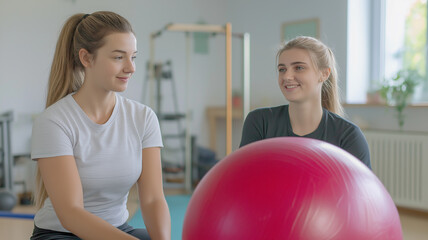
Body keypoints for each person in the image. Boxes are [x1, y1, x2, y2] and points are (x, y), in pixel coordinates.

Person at [30, 11, 171, 240]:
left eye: (133, 57)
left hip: (117, 231)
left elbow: (153, 198)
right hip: (61, 234)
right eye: (118, 57)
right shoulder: (54, 122)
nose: (131, 67)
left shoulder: (144, 117)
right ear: (86, 58)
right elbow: (71, 214)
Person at [240, 36, 371, 169]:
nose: (286, 76)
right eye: (282, 69)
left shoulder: (348, 136)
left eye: (299, 68)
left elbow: (360, 189)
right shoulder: (259, 122)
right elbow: (243, 177)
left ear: (324, 74)